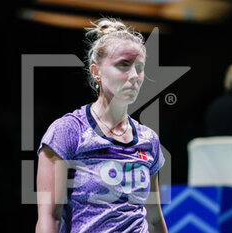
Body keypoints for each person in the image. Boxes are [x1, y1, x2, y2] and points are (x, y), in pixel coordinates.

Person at [35, 18, 167, 233]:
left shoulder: (148, 139)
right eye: (123, 65)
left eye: (140, 67)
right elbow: (51, 218)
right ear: (96, 72)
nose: (134, 76)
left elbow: (153, 219)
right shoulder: (68, 131)